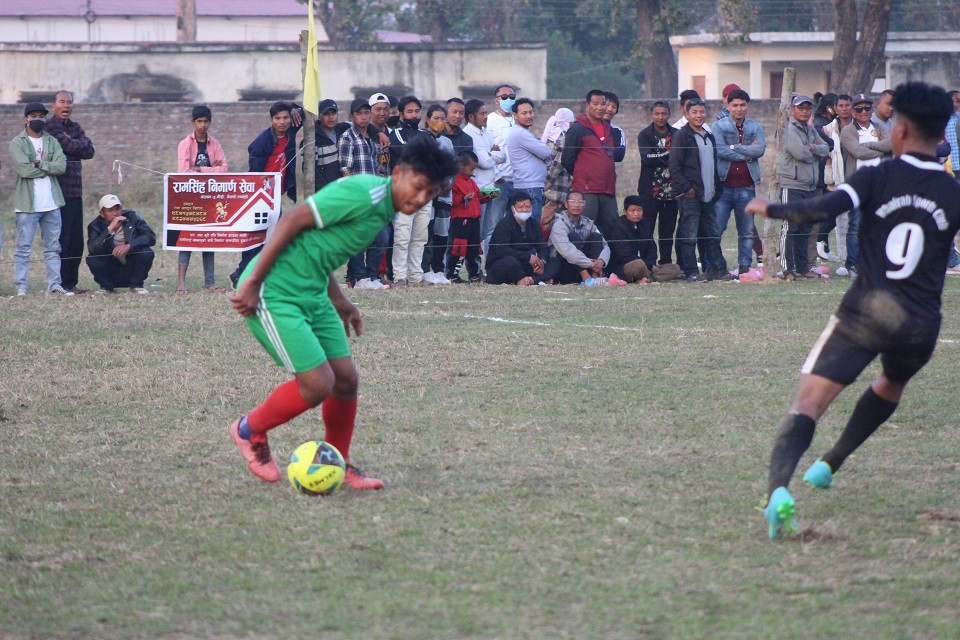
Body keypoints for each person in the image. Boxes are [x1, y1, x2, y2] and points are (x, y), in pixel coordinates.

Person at [746, 82, 960, 540]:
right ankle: (831, 463)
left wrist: (769, 208)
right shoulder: (950, 189)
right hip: (921, 323)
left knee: (809, 402)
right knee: (891, 383)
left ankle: (779, 491)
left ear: (899, 129)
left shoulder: (877, 176)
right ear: (942, 133)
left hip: (867, 310)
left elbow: (822, 208)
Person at [229, 134, 458, 487]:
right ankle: (249, 430)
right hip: (276, 293)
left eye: (431, 194)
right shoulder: (363, 193)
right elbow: (292, 221)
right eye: (419, 187)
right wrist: (255, 282)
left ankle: (339, 462)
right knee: (319, 385)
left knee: (346, 381)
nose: (421, 199)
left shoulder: (385, 208)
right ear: (397, 173)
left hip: (315, 293)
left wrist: (340, 300)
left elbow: (320, 249)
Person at [229, 101, 304, 288]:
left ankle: (255, 274)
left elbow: (306, 110)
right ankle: (242, 273)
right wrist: (260, 194)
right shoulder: (261, 143)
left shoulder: (291, 132)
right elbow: (254, 175)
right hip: (259, 196)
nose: (283, 122)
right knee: (256, 237)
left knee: (273, 237)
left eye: (286, 117)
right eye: (278, 118)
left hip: (276, 196)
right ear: (271, 120)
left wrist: (294, 107)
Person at [10, 102, 70, 296]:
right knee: (23, 248)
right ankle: (21, 286)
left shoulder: (51, 141)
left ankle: (54, 285)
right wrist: (47, 167)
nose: (37, 119)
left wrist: (38, 162)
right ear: (25, 119)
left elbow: (61, 167)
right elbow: (24, 170)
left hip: (52, 203)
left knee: (53, 247)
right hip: (27, 205)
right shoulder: (17, 143)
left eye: (41, 116)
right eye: (33, 115)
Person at [669, 97, 728, 281]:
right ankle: (691, 271)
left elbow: (714, 164)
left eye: (701, 112)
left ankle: (717, 270)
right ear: (686, 114)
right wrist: (687, 189)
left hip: (708, 195)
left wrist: (717, 188)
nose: (698, 115)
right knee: (689, 235)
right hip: (690, 195)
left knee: (712, 234)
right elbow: (675, 167)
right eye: (694, 112)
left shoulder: (709, 136)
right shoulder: (681, 136)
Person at [45, 90, 95, 295]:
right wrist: (77, 145)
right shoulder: (49, 126)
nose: (66, 106)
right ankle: (59, 282)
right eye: (62, 102)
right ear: (54, 104)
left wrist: (75, 145)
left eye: (69, 102)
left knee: (76, 240)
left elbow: (89, 151)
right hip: (58, 191)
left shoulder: (75, 127)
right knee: (62, 238)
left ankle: (71, 283)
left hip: (76, 191)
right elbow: (65, 143)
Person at [712, 89, 766, 274]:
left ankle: (744, 267)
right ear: (728, 106)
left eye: (742, 105)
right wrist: (745, 153)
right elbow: (719, 150)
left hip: (746, 186)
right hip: (724, 185)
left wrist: (734, 147)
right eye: (734, 105)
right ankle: (715, 266)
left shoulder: (755, 126)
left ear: (747, 106)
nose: (739, 109)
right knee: (717, 229)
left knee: (747, 230)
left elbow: (760, 150)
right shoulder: (718, 126)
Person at [176, 105, 229, 293]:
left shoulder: (214, 144)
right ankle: (181, 283)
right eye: (199, 121)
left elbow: (224, 168)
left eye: (206, 121)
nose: (203, 125)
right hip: (189, 196)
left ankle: (210, 281)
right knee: (187, 238)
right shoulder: (185, 144)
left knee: (209, 237)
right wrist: (210, 168)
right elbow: (183, 171)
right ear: (193, 122)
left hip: (210, 196)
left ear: (210, 122)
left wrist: (199, 169)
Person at [776, 94, 829, 280]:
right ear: (792, 109)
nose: (805, 111)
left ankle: (802, 267)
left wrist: (812, 147)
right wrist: (813, 149)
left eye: (808, 108)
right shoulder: (788, 129)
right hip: (792, 184)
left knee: (805, 228)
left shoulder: (810, 129)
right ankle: (786, 269)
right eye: (801, 108)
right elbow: (800, 154)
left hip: (810, 186)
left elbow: (826, 148)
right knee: (790, 228)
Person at [340, 97, 390, 290]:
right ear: (352, 116)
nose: (363, 117)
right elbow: (345, 168)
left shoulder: (373, 137)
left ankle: (372, 275)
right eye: (359, 114)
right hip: (358, 196)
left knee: (382, 236)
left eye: (366, 113)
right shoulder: (348, 137)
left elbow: (377, 167)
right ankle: (360, 277)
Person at [561, 90, 618, 235]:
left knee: (611, 227)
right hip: (587, 189)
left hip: (607, 189)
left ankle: (606, 258)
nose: (600, 108)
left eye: (603, 104)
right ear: (588, 105)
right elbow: (567, 159)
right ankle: (585, 258)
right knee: (586, 228)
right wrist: (585, 174)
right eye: (595, 104)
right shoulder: (578, 128)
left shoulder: (610, 129)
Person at [387, 95, 430, 286]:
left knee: (420, 237)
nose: (414, 115)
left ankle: (415, 276)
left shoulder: (425, 135)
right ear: (402, 114)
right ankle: (400, 276)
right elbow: (407, 154)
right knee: (402, 236)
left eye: (417, 111)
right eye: (410, 111)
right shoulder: (395, 134)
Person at [86, 194, 156, 294]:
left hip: (130, 262)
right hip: (111, 265)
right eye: (110, 210)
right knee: (92, 258)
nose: (115, 213)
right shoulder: (95, 225)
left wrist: (129, 245)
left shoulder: (132, 217)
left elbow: (150, 237)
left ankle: (136, 285)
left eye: (117, 209)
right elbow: (93, 248)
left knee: (147, 252)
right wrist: (109, 230)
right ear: (102, 213)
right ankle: (106, 287)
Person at [637, 100, 679, 265]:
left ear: (669, 115)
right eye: (657, 113)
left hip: (671, 190)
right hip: (650, 190)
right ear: (651, 115)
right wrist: (668, 155)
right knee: (647, 229)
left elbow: (678, 159)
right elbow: (647, 159)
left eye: (664, 114)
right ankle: (648, 263)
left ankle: (666, 262)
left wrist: (662, 156)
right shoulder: (645, 135)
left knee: (667, 231)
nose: (660, 117)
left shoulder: (676, 134)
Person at [542, 190, 610, 285]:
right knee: (573, 237)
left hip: (589, 265)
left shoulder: (588, 223)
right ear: (566, 204)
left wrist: (601, 261)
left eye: (580, 202)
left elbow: (605, 245)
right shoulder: (559, 224)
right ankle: (585, 276)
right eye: (573, 202)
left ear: (584, 205)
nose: (577, 205)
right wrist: (590, 264)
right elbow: (566, 251)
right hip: (564, 266)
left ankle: (596, 276)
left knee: (596, 236)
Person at [506, 98, 552, 228]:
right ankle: (530, 249)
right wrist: (543, 153)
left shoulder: (525, 133)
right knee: (530, 227)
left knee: (531, 226)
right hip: (529, 186)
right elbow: (546, 152)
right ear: (515, 115)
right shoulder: (520, 133)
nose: (528, 116)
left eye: (530, 112)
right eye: (524, 113)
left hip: (532, 185)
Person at [484, 191, 548, 285]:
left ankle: (530, 279)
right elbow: (502, 250)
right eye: (520, 207)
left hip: (525, 264)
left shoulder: (534, 224)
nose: (524, 210)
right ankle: (531, 279)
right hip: (502, 264)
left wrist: (542, 261)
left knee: (555, 262)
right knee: (511, 262)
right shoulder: (504, 224)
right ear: (513, 209)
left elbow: (542, 247)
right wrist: (528, 257)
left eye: (527, 207)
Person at [446, 150, 490, 282]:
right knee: (458, 248)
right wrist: (463, 198)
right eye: (471, 169)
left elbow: (477, 198)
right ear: (461, 165)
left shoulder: (472, 182)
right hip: (460, 219)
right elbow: (451, 201)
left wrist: (487, 196)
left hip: (474, 219)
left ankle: (474, 274)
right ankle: (452, 274)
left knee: (474, 247)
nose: (473, 172)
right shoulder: (454, 181)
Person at [606, 196, 656, 283]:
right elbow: (625, 256)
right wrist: (650, 266)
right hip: (624, 266)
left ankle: (646, 279)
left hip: (646, 265)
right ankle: (651, 278)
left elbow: (652, 248)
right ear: (625, 212)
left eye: (639, 210)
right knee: (639, 265)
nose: (636, 214)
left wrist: (652, 264)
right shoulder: (618, 227)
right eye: (632, 210)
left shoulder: (645, 224)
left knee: (674, 268)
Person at [314, 99, 343, 192]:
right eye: (326, 114)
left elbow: (363, 126)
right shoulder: (313, 140)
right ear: (319, 116)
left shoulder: (343, 131)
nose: (331, 117)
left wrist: (379, 132)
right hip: (325, 192)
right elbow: (312, 173)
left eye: (333, 113)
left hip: (344, 189)